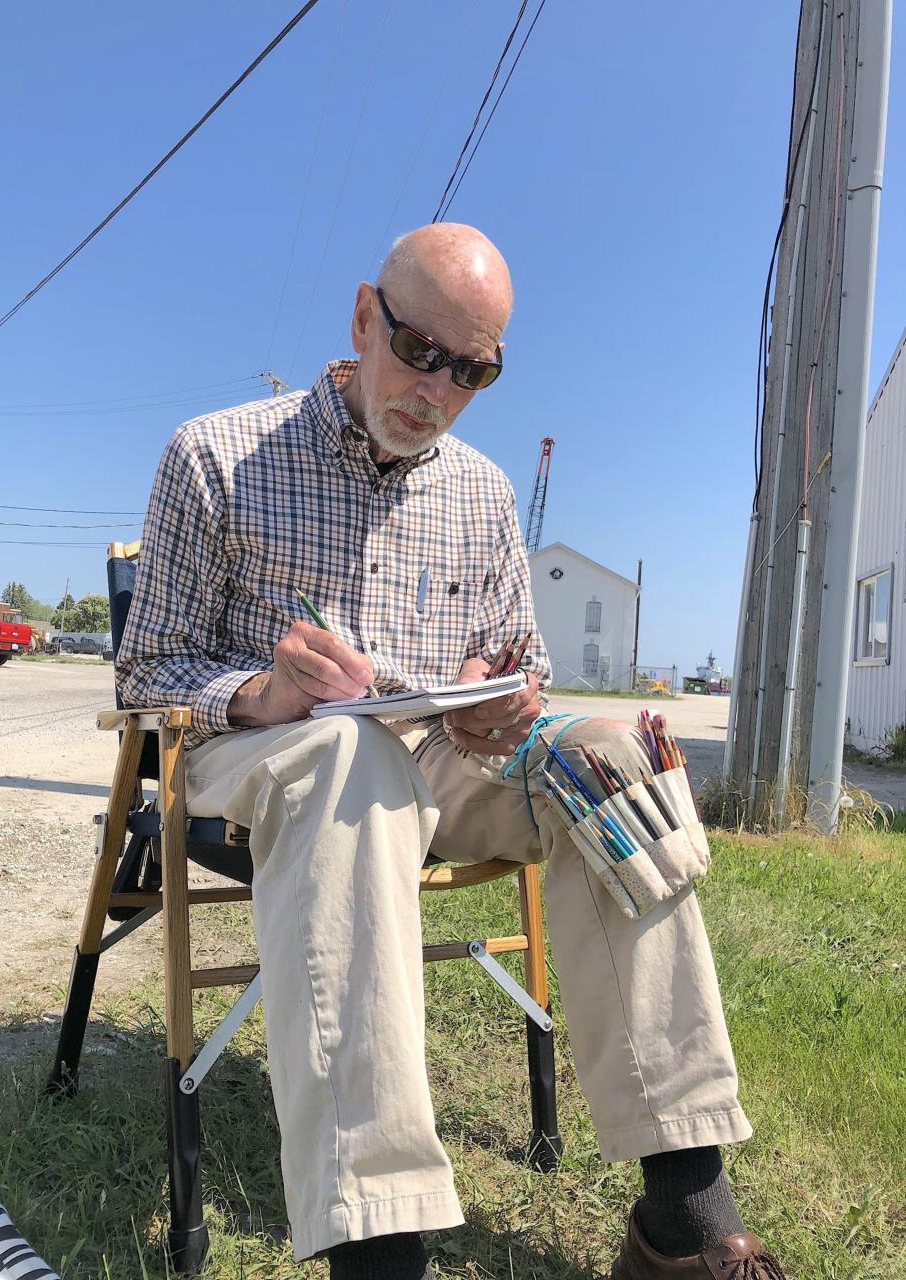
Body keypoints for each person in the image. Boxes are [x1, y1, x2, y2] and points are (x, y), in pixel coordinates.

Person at [117, 223, 786, 1280]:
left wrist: (509, 709)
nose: (436, 388)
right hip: (263, 754)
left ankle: (684, 1219)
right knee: (348, 761)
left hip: (439, 754)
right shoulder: (215, 454)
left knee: (611, 752)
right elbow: (145, 673)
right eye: (419, 349)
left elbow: (524, 666)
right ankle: (380, 1249)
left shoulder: (482, 492)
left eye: (472, 370)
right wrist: (262, 689)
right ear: (360, 318)